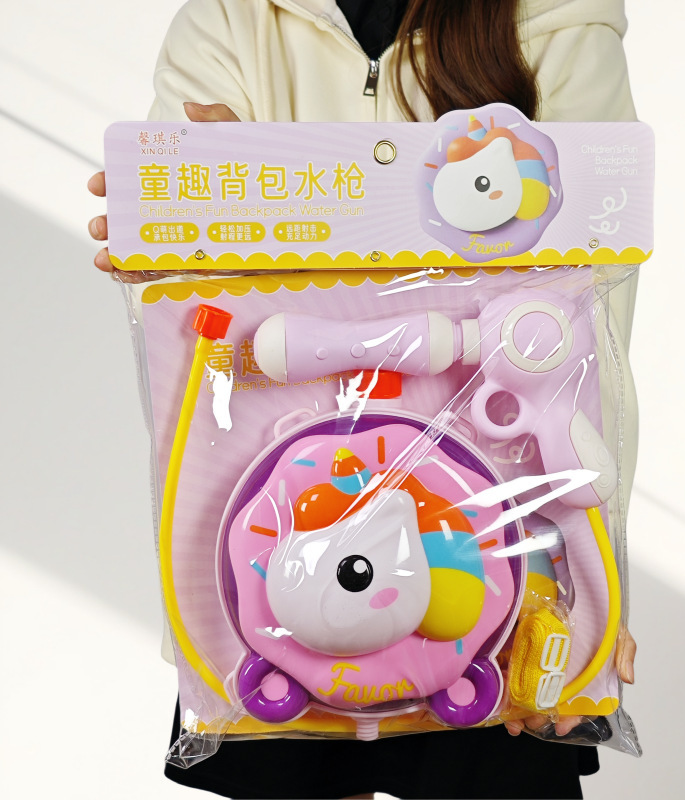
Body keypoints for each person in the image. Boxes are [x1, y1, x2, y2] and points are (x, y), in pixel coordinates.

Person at [87, 1, 639, 797]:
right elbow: (189, 309)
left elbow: (588, 341)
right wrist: (170, 217)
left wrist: (587, 600)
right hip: (264, 533)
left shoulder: (556, 20)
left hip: (504, 545)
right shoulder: (233, 17)